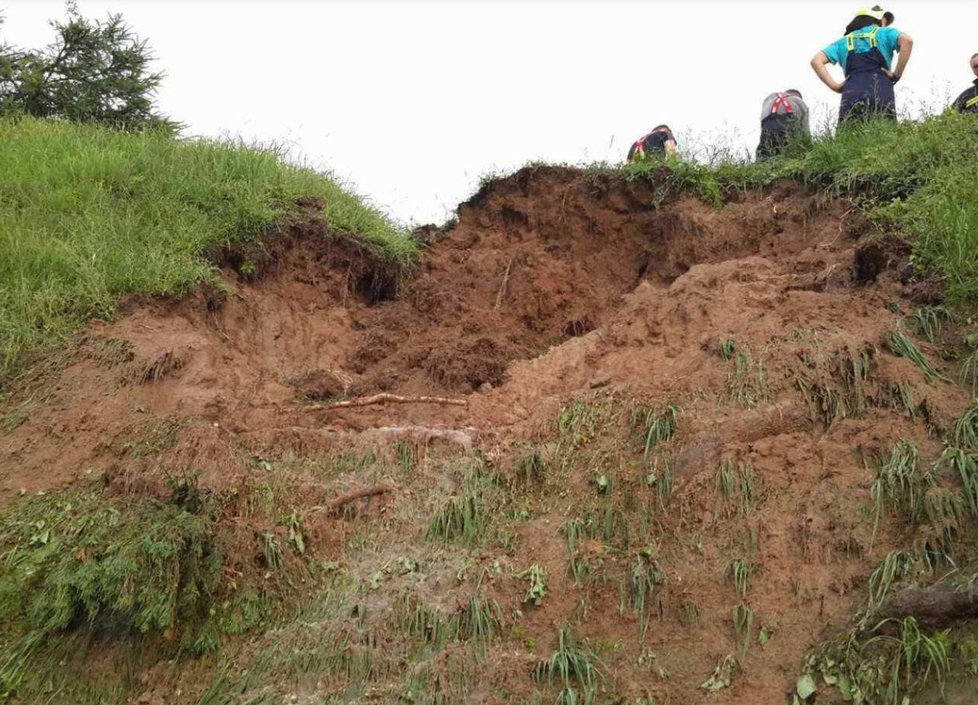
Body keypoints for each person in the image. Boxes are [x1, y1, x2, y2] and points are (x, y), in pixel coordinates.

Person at [810, 6, 914, 124]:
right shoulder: (884, 33)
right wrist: (896, 75)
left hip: (851, 95)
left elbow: (816, 61)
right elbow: (907, 40)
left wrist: (835, 86)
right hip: (881, 92)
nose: (884, 25)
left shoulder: (843, 42)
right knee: (885, 138)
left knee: (849, 138)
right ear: (878, 19)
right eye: (885, 21)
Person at [756, 90, 811, 160]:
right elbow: (806, 134)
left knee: (763, 157)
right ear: (798, 96)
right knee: (791, 157)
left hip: (767, 127)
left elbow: (763, 123)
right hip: (787, 126)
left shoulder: (770, 98)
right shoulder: (800, 102)